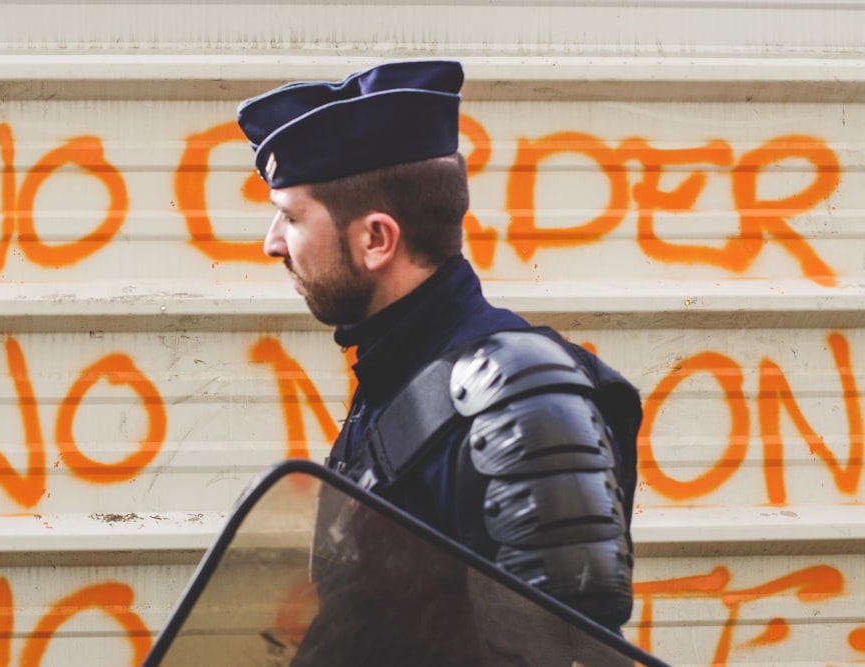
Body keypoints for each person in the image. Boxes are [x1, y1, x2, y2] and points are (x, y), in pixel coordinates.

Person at [237, 59, 642, 660]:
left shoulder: (517, 395)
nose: (272, 242)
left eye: (292, 217)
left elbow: (566, 652)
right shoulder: (397, 369)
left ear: (376, 239)